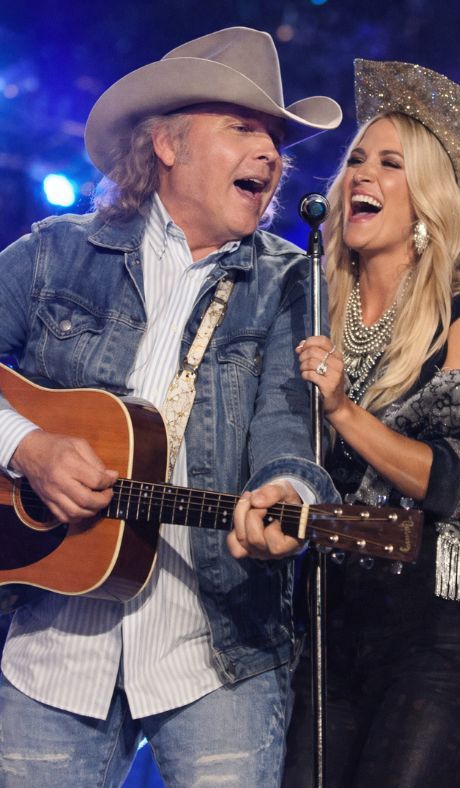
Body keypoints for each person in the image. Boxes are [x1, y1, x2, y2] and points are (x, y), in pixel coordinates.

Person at [0, 27, 343, 787]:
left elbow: (289, 431)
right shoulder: (57, 252)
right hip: (53, 648)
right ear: (166, 145)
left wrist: (288, 493)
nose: (269, 153)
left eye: (275, 139)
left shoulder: (290, 282)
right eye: (243, 127)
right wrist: (26, 446)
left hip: (215, 652)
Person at [280, 60, 460, 787]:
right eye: (356, 160)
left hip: (437, 639)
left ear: (426, 200)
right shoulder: (308, 307)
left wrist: (343, 411)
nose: (361, 176)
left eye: (390, 164)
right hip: (322, 625)